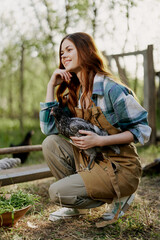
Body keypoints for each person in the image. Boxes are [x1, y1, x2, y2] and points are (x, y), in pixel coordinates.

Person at [40, 32, 151, 224]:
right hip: (92, 161)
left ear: (85, 51)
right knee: (50, 143)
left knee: (56, 192)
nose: (63, 56)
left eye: (69, 50)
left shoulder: (111, 89)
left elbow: (142, 129)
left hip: (120, 167)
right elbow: (48, 128)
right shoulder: (74, 94)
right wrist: (51, 85)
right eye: (61, 53)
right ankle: (77, 209)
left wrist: (101, 140)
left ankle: (121, 196)